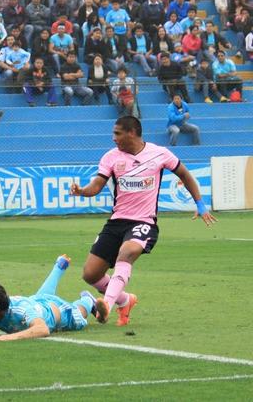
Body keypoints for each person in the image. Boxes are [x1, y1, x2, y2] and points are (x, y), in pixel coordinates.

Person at [69, 116, 216, 326]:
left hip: (144, 222)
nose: (113, 138)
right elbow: (97, 185)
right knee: (90, 274)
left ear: (131, 133)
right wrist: (82, 191)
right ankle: (125, 300)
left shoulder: (160, 153)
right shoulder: (111, 157)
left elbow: (184, 174)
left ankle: (106, 306)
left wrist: (200, 204)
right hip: (117, 221)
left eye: (117, 133)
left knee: (127, 252)